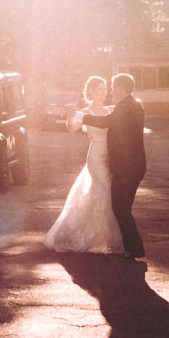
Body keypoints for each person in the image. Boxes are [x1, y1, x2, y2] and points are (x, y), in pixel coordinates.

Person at [43, 76, 126, 254]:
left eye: (105, 89)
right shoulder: (85, 112)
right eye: (99, 89)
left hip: (111, 157)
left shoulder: (111, 109)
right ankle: (106, 240)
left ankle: (105, 238)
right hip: (96, 156)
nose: (103, 92)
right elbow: (72, 129)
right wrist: (70, 115)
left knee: (103, 195)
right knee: (104, 191)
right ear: (90, 92)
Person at [81, 72, 147, 259]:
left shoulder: (125, 108)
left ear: (121, 88)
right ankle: (133, 248)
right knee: (122, 207)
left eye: (113, 87)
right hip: (134, 166)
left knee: (120, 208)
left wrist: (80, 116)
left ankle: (134, 249)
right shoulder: (131, 105)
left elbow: (104, 122)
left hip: (127, 168)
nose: (111, 91)